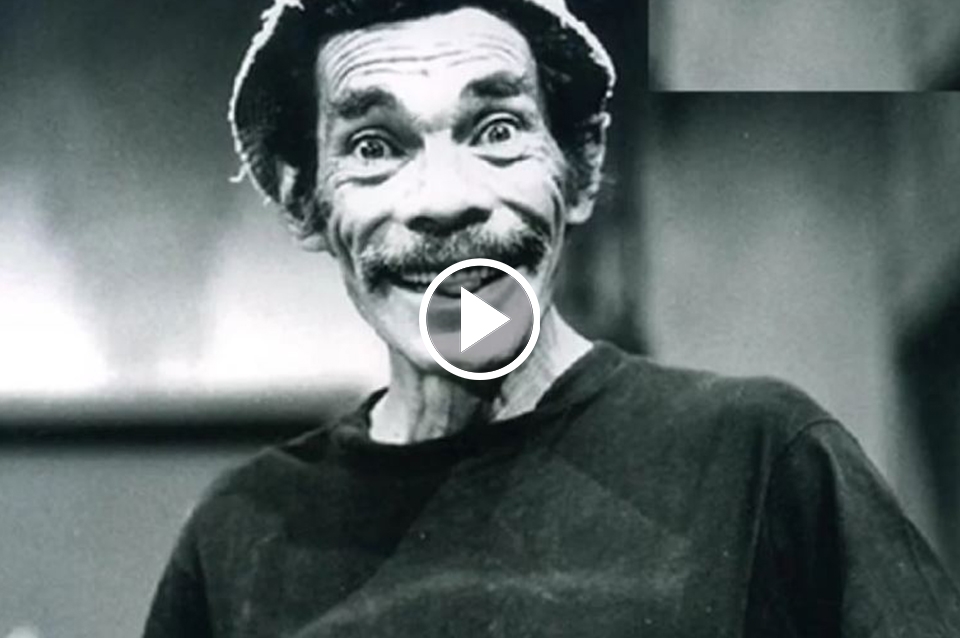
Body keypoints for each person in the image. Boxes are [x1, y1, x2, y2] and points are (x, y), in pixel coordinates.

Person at [143, 0, 960, 636]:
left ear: (581, 169)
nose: (446, 200)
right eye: (374, 146)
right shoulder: (241, 534)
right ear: (303, 201)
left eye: (496, 130)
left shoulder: (758, 456)